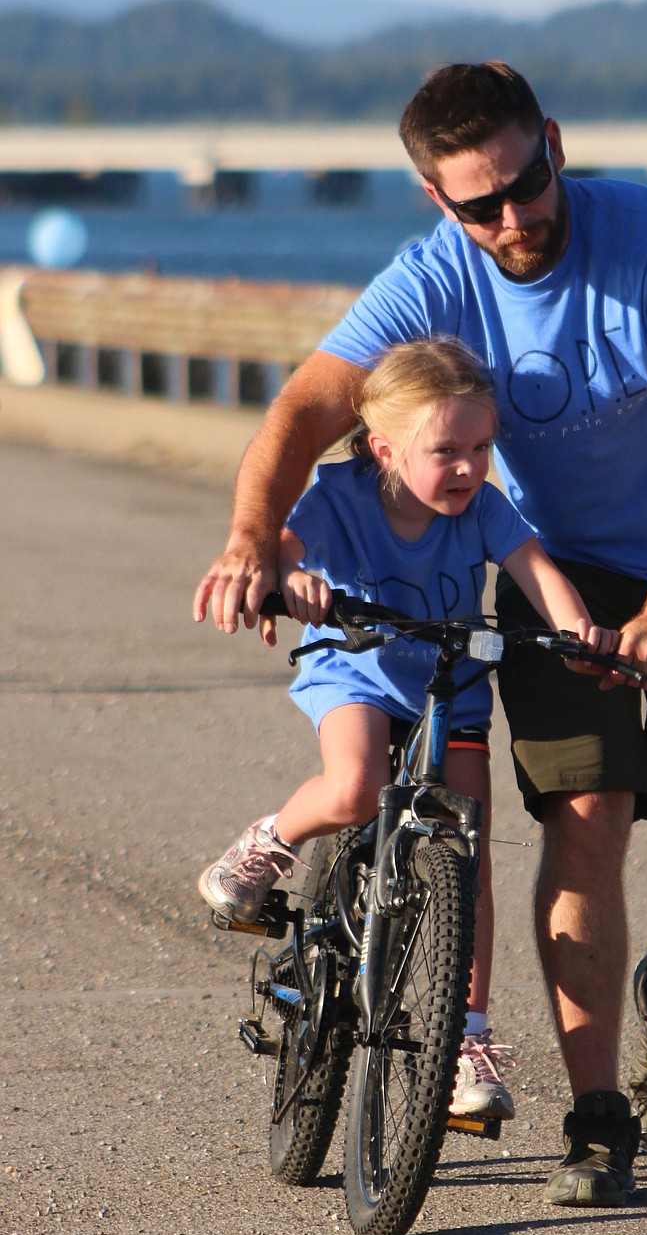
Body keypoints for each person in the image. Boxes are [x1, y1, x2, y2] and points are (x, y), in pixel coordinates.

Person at [195, 62, 647, 1207]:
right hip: (550, 568)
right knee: (586, 822)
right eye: (479, 205)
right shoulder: (432, 278)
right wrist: (249, 540)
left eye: (527, 184)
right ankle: (597, 1115)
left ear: (555, 145)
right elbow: (305, 410)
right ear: (438, 202)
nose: (513, 219)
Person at [197, 335, 616, 1123]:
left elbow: (536, 569)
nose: (467, 466)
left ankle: (465, 1037)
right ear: (385, 447)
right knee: (354, 787)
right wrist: (293, 578)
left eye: (482, 447)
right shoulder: (338, 494)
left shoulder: (486, 507)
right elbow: (288, 550)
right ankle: (267, 842)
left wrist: (578, 630)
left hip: (449, 685)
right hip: (357, 667)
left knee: (469, 850)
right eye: (446, 450)